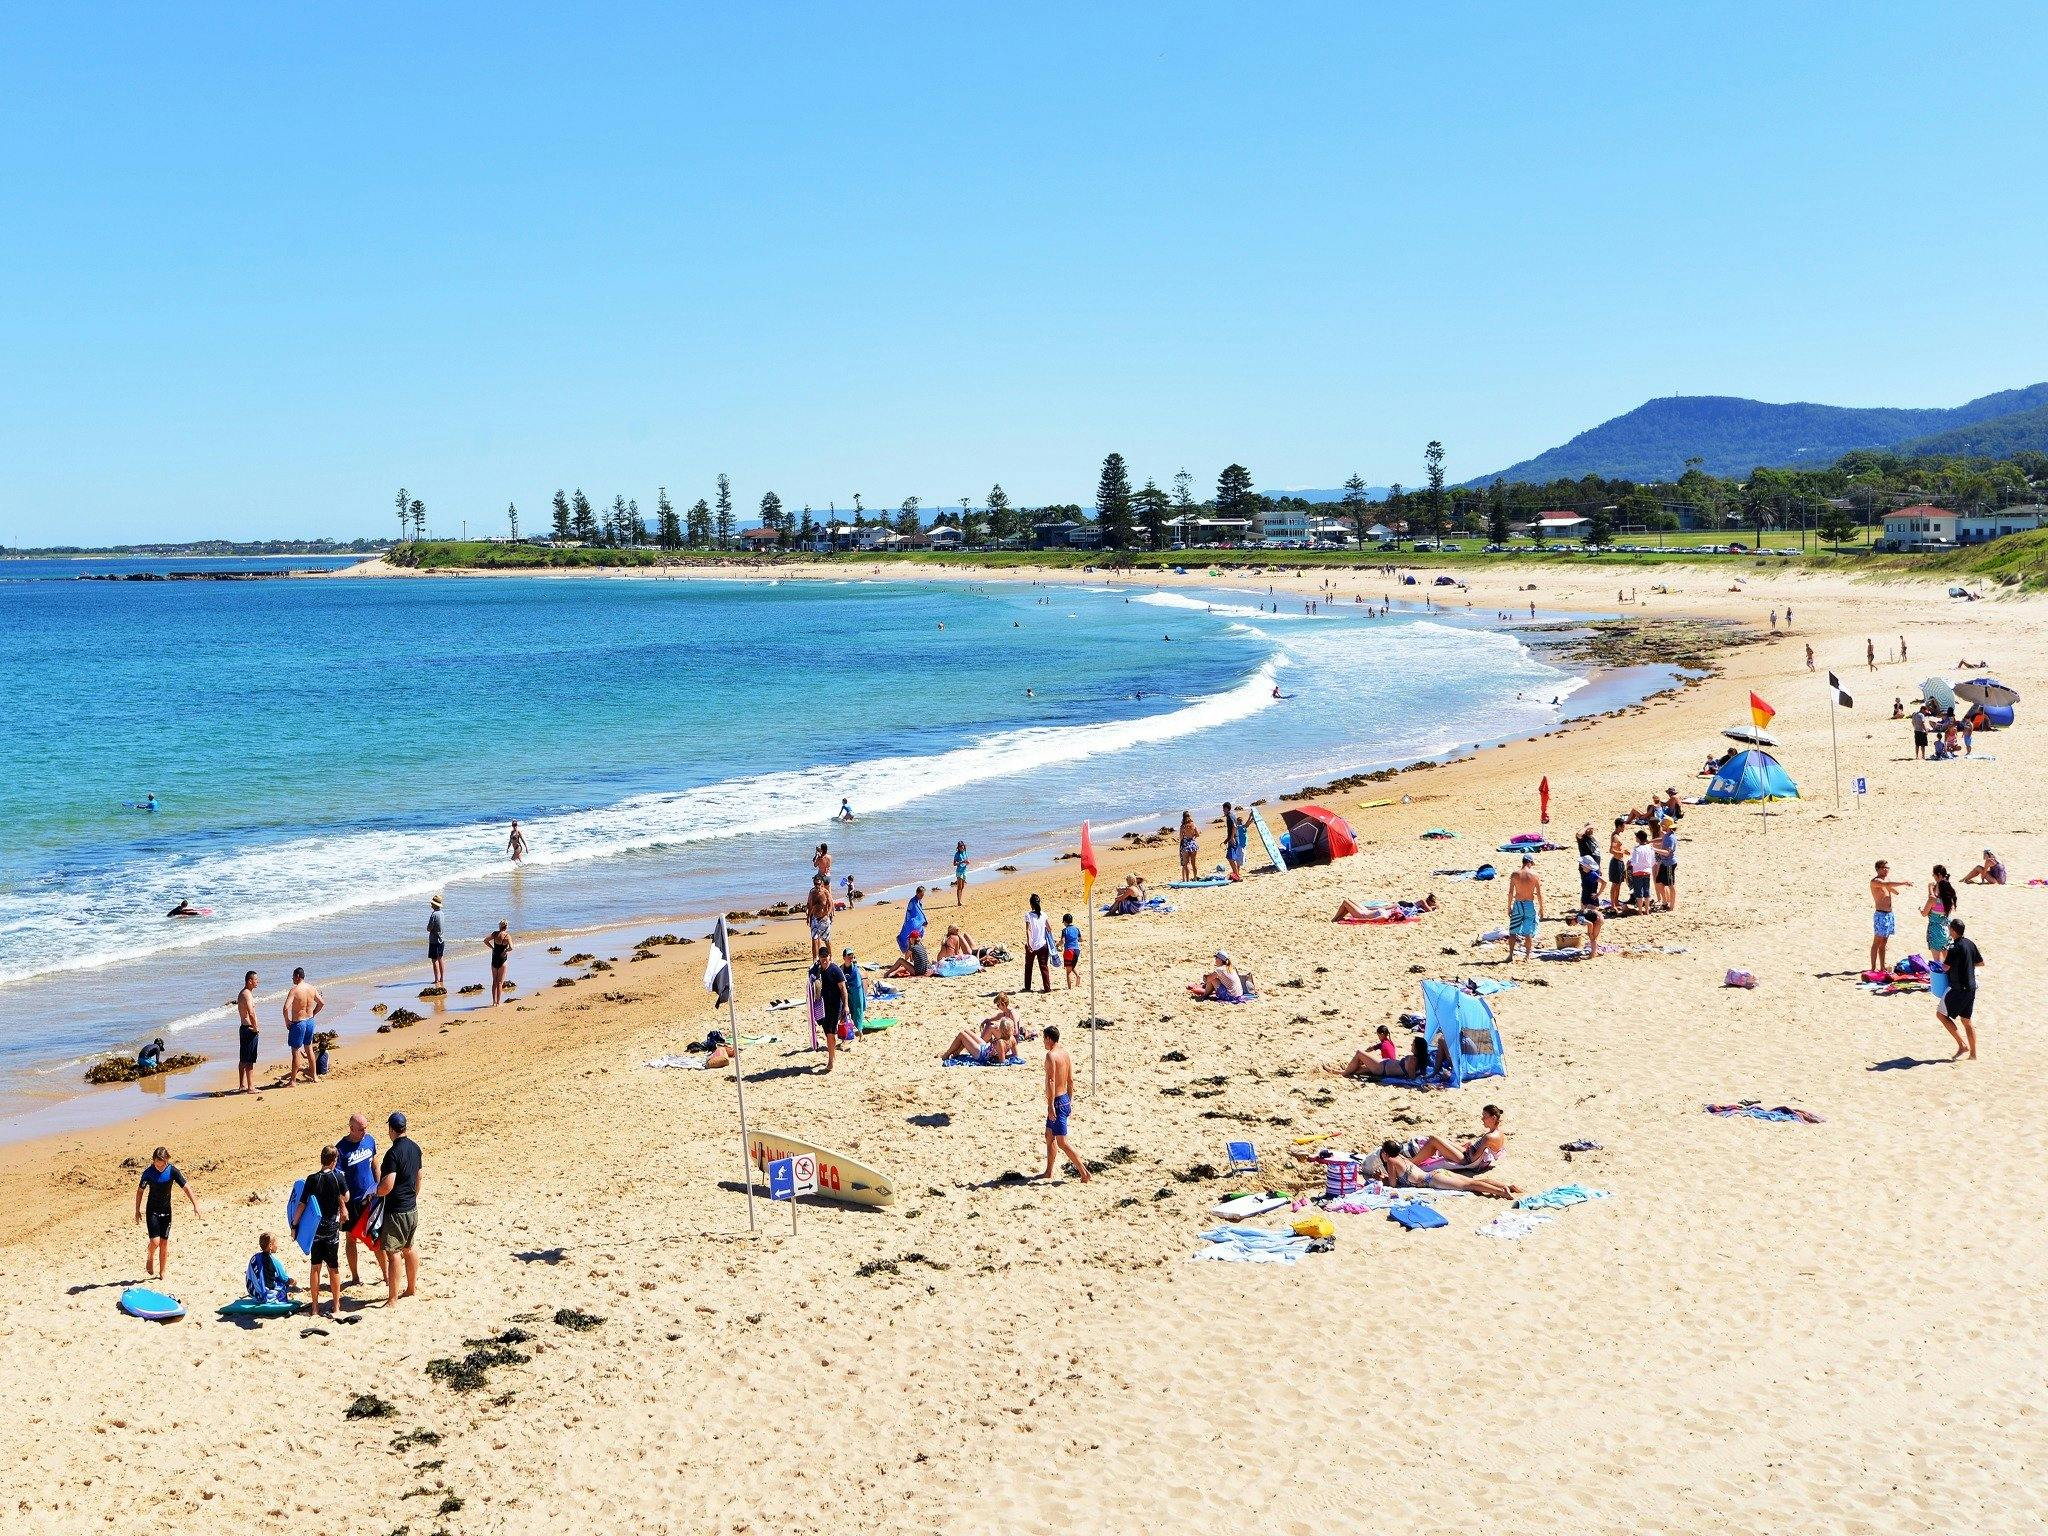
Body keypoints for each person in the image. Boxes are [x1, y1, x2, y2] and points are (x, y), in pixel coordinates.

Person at [291, 1144, 350, 1318]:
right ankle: (336, 1306)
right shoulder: (338, 1177)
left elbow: (301, 1205)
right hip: (331, 1230)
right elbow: (346, 1197)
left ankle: (315, 1308)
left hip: (315, 1231)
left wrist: (294, 1226)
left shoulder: (311, 1179)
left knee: (315, 1267)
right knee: (333, 1268)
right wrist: (339, 1194)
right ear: (334, 1161)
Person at [372, 1111, 423, 1307]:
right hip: (411, 1207)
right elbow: (419, 1177)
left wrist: (375, 1192)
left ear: (391, 1129)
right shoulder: (415, 1148)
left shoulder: (393, 1153)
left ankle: (392, 1298)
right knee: (409, 1248)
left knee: (393, 1252)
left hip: (396, 1210)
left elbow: (388, 1185)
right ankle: (411, 1288)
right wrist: (413, 1197)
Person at [134, 1145, 199, 1280]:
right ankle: (150, 1256)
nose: (159, 1168)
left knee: (164, 1243)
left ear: (167, 1161)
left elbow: (186, 1187)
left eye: (162, 1165)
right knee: (155, 1242)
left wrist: (195, 1204)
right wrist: (137, 1210)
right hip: (152, 1210)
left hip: (166, 1211)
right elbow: (140, 1191)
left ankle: (162, 1271)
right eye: (157, 1165)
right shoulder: (148, 1173)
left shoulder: (172, 1171)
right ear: (153, 1161)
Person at [1376, 1141, 1521, 1199]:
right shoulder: (1400, 1157)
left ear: (1386, 1153)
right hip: (1436, 1174)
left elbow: (1394, 1185)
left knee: (1469, 1186)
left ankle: (1501, 1192)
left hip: (1432, 1180)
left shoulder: (1390, 1161)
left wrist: (1383, 1179)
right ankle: (1506, 1186)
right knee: (1472, 1181)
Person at [1039, 1026, 1088, 1182]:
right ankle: (1048, 1171)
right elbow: (1070, 1080)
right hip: (1065, 1099)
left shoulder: (1051, 1056)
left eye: (1044, 1039)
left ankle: (1084, 1172)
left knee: (1062, 1142)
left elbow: (1052, 1081)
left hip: (1057, 1102)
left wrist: (1051, 1105)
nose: (1043, 1043)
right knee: (1049, 1135)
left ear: (1048, 1038)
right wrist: (1070, 1100)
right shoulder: (1065, 1054)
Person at [336, 1112, 380, 1285]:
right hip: (351, 1201)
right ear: (351, 1129)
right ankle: (355, 1277)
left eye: (366, 1128)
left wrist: (379, 1188)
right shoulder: (341, 1149)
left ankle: (385, 1275)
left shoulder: (369, 1140)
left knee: (376, 1238)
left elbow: (375, 1165)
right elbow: (338, 1181)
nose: (364, 1132)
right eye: (361, 1129)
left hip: (370, 1198)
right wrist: (342, 1207)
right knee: (351, 1239)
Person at [1407, 1104, 1507, 1173]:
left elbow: (1473, 1159)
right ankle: (1420, 1156)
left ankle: (1411, 1163)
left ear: (1493, 1118)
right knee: (1444, 1141)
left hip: (1467, 1160)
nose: (1482, 1119)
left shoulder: (1489, 1137)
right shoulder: (1499, 1132)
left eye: (1484, 1116)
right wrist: (1471, 1146)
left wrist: (1471, 1147)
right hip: (1472, 1156)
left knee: (1434, 1139)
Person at [1939, 919, 1982, 1060]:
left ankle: (1962, 1045)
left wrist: (1942, 959)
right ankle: (1973, 1054)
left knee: (1941, 1015)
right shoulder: (1970, 943)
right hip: (1971, 987)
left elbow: (1945, 967)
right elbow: (1980, 963)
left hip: (1957, 988)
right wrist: (1967, 963)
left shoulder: (1953, 947)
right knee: (1966, 1021)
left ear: (1953, 931)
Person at [283, 966, 323, 1087]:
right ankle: (314, 1076)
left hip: (299, 1023)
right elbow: (321, 1003)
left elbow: (285, 1008)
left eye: (293, 977)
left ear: (297, 976)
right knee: (309, 1048)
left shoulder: (294, 990)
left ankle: (293, 1081)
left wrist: (287, 1021)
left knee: (295, 1051)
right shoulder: (312, 988)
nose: (292, 979)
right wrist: (313, 1013)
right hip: (310, 1021)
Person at [1870, 860, 1911, 971]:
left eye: (1887, 868)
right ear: (1878, 869)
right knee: (1877, 942)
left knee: (1884, 942)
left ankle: (1882, 967)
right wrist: (1903, 883)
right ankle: (1873, 968)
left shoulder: (1885, 880)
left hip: (1889, 915)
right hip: (1881, 915)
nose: (1886, 870)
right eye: (1884, 868)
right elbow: (1886, 885)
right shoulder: (1875, 881)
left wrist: (1894, 891)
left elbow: (1889, 887)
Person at [1504, 856, 1544, 962]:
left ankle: (1511, 955)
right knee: (1528, 932)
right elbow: (1539, 894)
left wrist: (1509, 907)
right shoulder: (1535, 875)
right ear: (1529, 863)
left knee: (1513, 931)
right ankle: (1527, 956)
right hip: (1529, 905)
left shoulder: (1515, 874)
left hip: (1518, 904)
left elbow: (1510, 893)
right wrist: (1541, 908)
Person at [815, 941, 848, 1072]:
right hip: (823, 1007)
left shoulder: (835, 970)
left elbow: (843, 989)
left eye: (826, 957)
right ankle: (832, 1056)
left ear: (829, 956)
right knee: (827, 1032)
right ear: (819, 958)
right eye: (822, 957)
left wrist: (845, 1006)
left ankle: (830, 1059)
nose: (824, 959)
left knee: (830, 1032)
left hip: (835, 1006)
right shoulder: (817, 971)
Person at [244, 1233, 296, 1305]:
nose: (277, 1245)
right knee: (282, 1284)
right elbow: (284, 1279)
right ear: (270, 1246)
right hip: (269, 1296)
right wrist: (293, 1281)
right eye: (276, 1243)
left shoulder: (254, 1258)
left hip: (255, 1294)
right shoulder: (274, 1261)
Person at [1920, 865, 1956, 964]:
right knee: (1947, 961)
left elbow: (1924, 912)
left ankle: (1940, 979)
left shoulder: (1934, 900)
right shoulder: (1949, 899)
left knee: (1937, 961)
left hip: (1935, 929)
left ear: (1938, 875)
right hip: (1947, 927)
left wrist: (1930, 888)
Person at [235, 969, 260, 1093]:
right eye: (256, 980)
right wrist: (255, 1027)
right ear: (250, 981)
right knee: (249, 1060)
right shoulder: (247, 994)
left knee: (243, 1058)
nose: (258, 982)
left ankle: (241, 1085)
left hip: (244, 1028)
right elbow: (251, 1012)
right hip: (249, 1029)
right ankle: (250, 1087)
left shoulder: (243, 993)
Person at [1022, 895, 1053, 993]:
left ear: (1031, 904)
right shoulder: (1044, 915)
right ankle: (1047, 988)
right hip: (1043, 945)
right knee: (1044, 967)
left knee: (1028, 966)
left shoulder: (1028, 915)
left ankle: (1027, 987)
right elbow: (1049, 928)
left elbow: (1028, 930)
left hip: (1032, 945)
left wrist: (1029, 943)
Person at [1627, 830, 1656, 911]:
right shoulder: (1650, 848)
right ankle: (1647, 910)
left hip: (1637, 872)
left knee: (1639, 893)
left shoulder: (1636, 849)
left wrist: (1630, 863)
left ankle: (1640, 911)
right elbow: (1653, 861)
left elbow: (1634, 862)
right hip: (1647, 871)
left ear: (1639, 839)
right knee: (1646, 891)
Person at [806, 874, 834, 952]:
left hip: (824, 919)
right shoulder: (812, 892)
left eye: (818, 884)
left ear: (821, 883)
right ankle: (815, 960)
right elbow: (810, 905)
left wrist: (828, 914)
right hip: (815, 918)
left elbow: (831, 904)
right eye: (815, 884)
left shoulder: (825, 892)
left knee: (826, 940)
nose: (817, 886)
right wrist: (808, 917)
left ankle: (830, 957)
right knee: (814, 939)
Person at [486, 920, 512, 1004]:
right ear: (506, 927)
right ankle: (498, 1002)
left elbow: (485, 941)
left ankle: (493, 1001)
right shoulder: (507, 936)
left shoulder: (495, 934)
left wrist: (492, 948)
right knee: (500, 982)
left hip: (494, 958)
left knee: (494, 981)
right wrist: (506, 951)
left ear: (499, 926)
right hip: (503, 959)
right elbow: (511, 947)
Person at [1655, 821, 1678, 911]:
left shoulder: (1670, 838)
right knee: (1659, 883)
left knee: (1671, 885)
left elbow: (1667, 853)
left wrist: (1654, 849)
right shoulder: (1667, 835)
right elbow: (1661, 840)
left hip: (1669, 864)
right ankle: (1665, 902)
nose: (1661, 827)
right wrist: (1650, 841)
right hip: (1664, 863)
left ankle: (1671, 906)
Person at [1606, 818, 1628, 910]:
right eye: (1623, 826)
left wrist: (1623, 851)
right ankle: (1613, 904)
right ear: (1619, 826)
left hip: (1620, 861)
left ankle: (1616, 901)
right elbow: (1611, 850)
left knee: (1618, 884)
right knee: (1615, 884)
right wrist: (1621, 853)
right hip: (1616, 862)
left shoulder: (1617, 835)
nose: (1624, 828)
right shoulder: (1615, 836)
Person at [1224, 803, 1249, 882]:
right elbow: (1234, 828)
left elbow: (1234, 827)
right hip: (1235, 838)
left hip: (1233, 839)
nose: (1223, 810)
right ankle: (1237, 874)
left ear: (1227, 809)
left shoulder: (1229, 816)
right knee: (1232, 858)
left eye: (1224, 809)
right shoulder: (1233, 815)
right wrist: (1227, 839)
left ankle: (1237, 875)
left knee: (1230, 858)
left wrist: (1231, 838)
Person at [426, 895, 446, 989]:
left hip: (434, 940)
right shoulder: (442, 913)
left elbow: (429, 928)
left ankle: (436, 979)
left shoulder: (433, 915)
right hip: (441, 940)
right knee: (440, 958)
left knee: (434, 961)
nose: (430, 904)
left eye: (432, 903)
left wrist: (429, 928)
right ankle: (442, 977)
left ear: (434, 905)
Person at [1059, 912, 1082, 990]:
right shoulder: (1077, 929)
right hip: (1077, 950)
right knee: (1072, 965)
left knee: (1068, 971)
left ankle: (1069, 988)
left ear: (1065, 922)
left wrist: (1056, 945)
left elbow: (1062, 941)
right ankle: (1078, 975)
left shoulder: (1065, 930)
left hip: (1069, 950)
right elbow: (1080, 939)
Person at [1177, 810, 1200, 881]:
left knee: (1186, 864)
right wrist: (1193, 838)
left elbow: (1181, 838)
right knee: (1193, 863)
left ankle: (1187, 879)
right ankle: (1195, 878)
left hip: (1186, 845)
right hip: (1193, 845)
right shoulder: (1193, 824)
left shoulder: (1183, 826)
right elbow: (1197, 834)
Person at [952, 840, 969, 906]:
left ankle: (960, 900)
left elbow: (966, 860)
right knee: (959, 887)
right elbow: (954, 863)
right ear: (958, 847)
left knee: (962, 886)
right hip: (959, 871)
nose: (961, 848)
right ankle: (959, 902)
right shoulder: (957, 854)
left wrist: (967, 862)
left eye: (962, 846)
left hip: (964, 870)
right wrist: (961, 862)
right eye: (960, 847)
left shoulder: (965, 852)